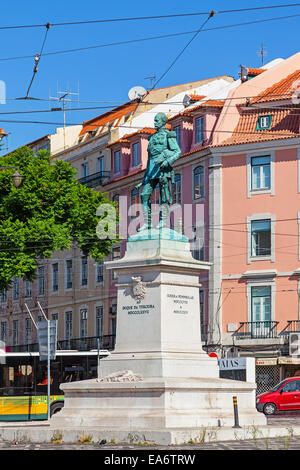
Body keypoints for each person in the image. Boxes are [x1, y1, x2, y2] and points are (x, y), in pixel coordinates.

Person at [135, 112, 181, 231]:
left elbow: (177, 151)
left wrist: (168, 161)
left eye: (157, 121)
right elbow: (150, 160)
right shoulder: (152, 137)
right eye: (154, 121)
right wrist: (144, 179)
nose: (154, 123)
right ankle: (147, 223)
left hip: (163, 169)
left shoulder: (168, 135)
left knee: (164, 196)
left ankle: (163, 221)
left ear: (163, 122)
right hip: (151, 171)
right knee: (144, 195)